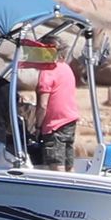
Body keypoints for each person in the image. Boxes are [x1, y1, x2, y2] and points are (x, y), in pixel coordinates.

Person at [32, 36, 80, 172]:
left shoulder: (47, 73)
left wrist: (38, 125)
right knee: (68, 161)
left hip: (55, 125)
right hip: (70, 120)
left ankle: (60, 189)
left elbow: (42, 105)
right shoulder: (66, 68)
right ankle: (72, 186)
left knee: (55, 161)